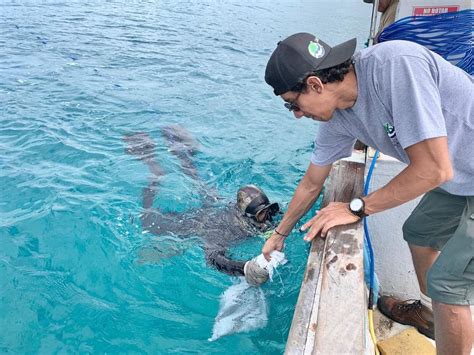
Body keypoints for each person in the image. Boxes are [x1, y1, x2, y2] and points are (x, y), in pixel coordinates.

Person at [262, 33, 473, 354]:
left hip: (457, 173)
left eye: (294, 103)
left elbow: (433, 170)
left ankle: (450, 307)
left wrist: (357, 207)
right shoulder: (338, 117)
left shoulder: (397, 67)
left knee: (449, 283)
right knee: (418, 233)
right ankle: (435, 313)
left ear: (316, 84)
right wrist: (280, 233)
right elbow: (311, 181)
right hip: (461, 177)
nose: (296, 114)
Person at [124, 126, 280, 286]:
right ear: (247, 216)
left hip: (217, 207)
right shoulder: (224, 232)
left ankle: (184, 156)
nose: (268, 219)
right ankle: (155, 172)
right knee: (147, 220)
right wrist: (245, 268)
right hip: (198, 224)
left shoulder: (259, 219)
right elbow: (214, 259)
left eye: (269, 211)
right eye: (262, 214)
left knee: (203, 187)